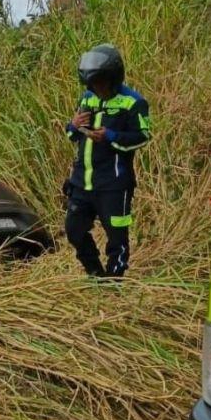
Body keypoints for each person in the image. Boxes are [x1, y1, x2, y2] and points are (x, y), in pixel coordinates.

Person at [64, 44, 151, 278]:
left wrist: (110, 137)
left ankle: (114, 281)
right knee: (74, 230)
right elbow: (72, 135)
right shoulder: (87, 98)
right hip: (82, 182)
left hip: (114, 183)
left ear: (113, 78)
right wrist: (73, 125)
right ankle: (94, 272)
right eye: (92, 84)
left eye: (101, 82)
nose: (97, 88)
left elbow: (142, 137)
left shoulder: (133, 102)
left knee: (117, 238)